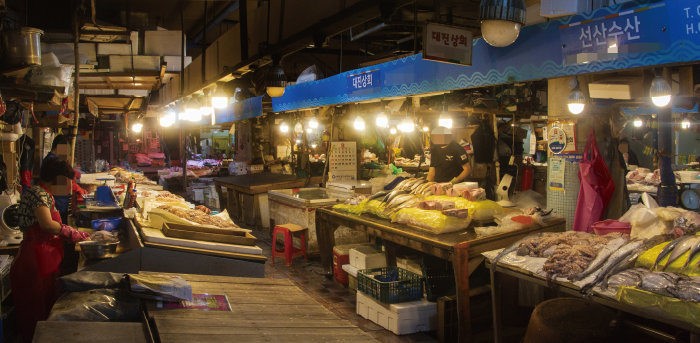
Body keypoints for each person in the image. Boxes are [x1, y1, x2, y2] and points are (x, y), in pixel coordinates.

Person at [10, 158, 91, 342]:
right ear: (58, 178)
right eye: (66, 181)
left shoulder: (42, 193)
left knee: (46, 309)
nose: (68, 186)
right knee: (36, 314)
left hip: (43, 259)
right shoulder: (38, 194)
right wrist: (69, 231)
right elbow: (47, 224)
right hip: (34, 261)